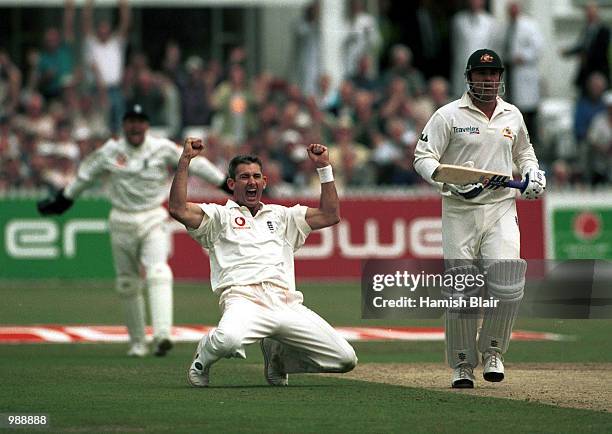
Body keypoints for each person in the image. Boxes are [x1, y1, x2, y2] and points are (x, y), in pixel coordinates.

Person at [36, 104, 229, 357]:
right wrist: (63, 200)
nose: (135, 126)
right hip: (121, 219)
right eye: (130, 121)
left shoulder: (161, 148)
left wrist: (225, 184)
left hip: (152, 217)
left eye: (140, 121)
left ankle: (162, 335)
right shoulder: (110, 152)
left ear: (147, 125)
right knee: (127, 282)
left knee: (158, 270)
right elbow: (84, 177)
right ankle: (138, 343)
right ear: (124, 125)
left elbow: (197, 164)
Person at [168, 140, 357, 387]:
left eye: (257, 176)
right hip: (243, 299)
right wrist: (185, 161)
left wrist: (324, 167)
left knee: (345, 359)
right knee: (229, 341)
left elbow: (330, 215)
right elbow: (178, 208)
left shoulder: (282, 215)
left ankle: (278, 359)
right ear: (232, 184)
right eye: (244, 177)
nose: (252, 182)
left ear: (264, 182)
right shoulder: (220, 216)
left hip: (286, 303)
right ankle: (203, 357)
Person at [414, 49, 545, 388]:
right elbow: (423, 156)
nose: (488, 81)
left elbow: (525, 151)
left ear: (500, 78)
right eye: (481, 75)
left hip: (501, 207)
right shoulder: (448, 115)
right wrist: (451, 182)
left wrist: (531, 173)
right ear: (469, 77)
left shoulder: (512, 115)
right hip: (460, 210)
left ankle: (493, 351)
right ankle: (461, 363)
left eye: (493, 75)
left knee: (509, 281)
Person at [83, 0, 130, 135]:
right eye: (101, 28)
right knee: (98, 127)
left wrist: (123, 5)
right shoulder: (92, 44)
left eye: (106, 28)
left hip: (115, 89)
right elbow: (86, 22)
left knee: (119, 126)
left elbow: (125, 23)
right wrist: (89, 4)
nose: (103, 31)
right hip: (96, 90)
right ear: (98, 30)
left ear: (109, 30)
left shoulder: (115, 43)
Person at [502, 1, 544, 145]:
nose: (512, 12)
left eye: (514, 9)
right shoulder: (508, 26)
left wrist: (524, 57)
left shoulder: (529, 25)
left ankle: (532, 140)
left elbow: (538, 47)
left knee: (529, 108)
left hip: (525, 72)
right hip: (512, 73)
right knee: (514, 106)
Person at [450, 0, 499, 98]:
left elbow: (493, 46)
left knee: (481, 96)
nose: (475, 2)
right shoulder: (458, 20)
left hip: (482, 65)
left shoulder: (491, 22)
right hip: (462, 65)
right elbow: (455, 45)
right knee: (461, 99)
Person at [561, 1, 610, 95]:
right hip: (585, 72)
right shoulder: (587, 29)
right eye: (587, 12)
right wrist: (568, 52)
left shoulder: (604, 30)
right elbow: (581, 46)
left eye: (591, 12)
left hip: (597, 71)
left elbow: (601, 50)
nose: (588, 14)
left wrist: (586, 55)